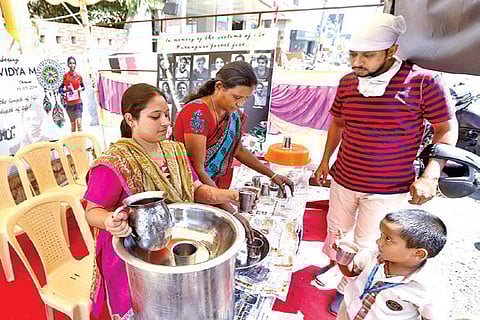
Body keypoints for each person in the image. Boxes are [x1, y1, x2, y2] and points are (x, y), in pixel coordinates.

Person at [311, 13, 458, 314]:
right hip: (344, 177)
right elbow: (338, 124)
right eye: (353, 54)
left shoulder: (423, 82)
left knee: (370, 245)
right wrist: (325, 160)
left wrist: (431, 175)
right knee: (336, 232)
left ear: (391, 51)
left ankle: (350, 288)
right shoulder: (348, 82)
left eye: (367, 55)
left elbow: (446, 128)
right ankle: (337, 270)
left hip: (388, 186)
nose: (357, 62)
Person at [84, 83, 252, 318]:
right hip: (134, 258)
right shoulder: (114, 163)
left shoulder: (175, 151)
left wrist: (229, 195)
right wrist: (110, 221)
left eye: (166, 115)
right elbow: (92, 211)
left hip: (175, 243)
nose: (165, 122)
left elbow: (196, 190)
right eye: (155, 116)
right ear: (130, 119)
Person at [173, 61, 294, 213]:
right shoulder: (197, 114)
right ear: (219, 87)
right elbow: (198, 170)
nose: (241, 103)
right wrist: (231, 211)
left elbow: (237, 149)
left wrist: (272, 174)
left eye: (246, 98)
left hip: (214, 188)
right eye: (237, 97)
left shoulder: (232, 114)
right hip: (192, 188)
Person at [335, 209, 449, 319]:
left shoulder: (429, 289)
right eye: (381, 235)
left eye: (388, 239)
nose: (378, 242)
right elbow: (350, 272)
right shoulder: (373, 256)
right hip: (349, 313)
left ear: (418, 253)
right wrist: (344, 255)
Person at [60, 56, 85, 132]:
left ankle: (81, 142)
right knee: (73, 126)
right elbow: (60, 89)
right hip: (69, 104)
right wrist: (66, 91)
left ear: (75, 64)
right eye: (70, 63)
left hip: (78, 103)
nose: (72, 65)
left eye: (73, 63)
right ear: (68, 65)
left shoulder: (79, 76)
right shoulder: (65, 76)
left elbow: (83, 87)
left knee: (79, 124)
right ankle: (74, 143)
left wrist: (80, 89)